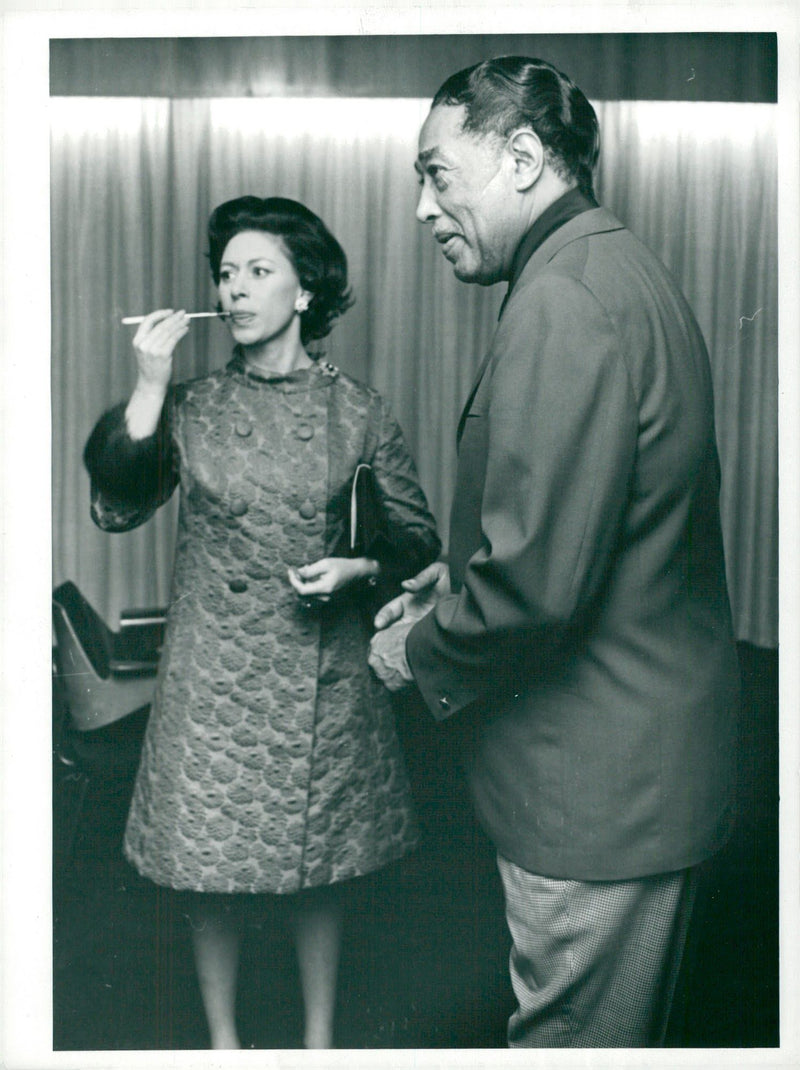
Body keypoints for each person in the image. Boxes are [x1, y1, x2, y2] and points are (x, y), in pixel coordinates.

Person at [369, 56, 740, 1048]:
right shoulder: (611, 266)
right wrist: (458, 575)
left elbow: (533, 590)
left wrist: (419, 648)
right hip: (643, 766)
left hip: (590, 789)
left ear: (524, 158)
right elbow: (603, 527)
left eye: (436, 174)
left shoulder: (560, 299)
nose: (420, 208)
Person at [83, 195, 440, 1050]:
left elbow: (420, 544)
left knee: (321, 870)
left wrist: (362, 568)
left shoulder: (358, 409)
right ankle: (224, 1047)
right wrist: (149, 384)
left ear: (306, 292)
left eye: (257, 271)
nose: (234, 290)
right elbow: (115, 507)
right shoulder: (193, 405)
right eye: (226, 274)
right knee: (209, 872)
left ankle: (317, 1045)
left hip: (320, 678)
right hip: (212, 678)